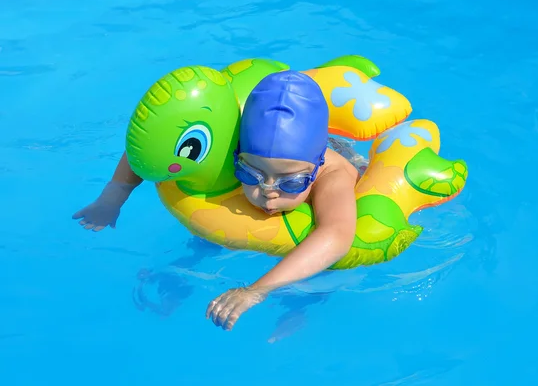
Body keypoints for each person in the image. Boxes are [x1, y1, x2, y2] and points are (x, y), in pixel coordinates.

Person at [72, 70, 363, 331]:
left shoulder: (332, 174)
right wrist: (112, 198)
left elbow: (336, 236)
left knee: (324, 272)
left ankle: (302, 307)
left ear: (314, 167)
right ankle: (186, 271)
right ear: (239, 153)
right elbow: (156, 150)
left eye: (291, 182)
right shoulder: (236, 144)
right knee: (210, 233)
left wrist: (256, 290)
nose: (268, 191)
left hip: (336, 187)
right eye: (250, 173)